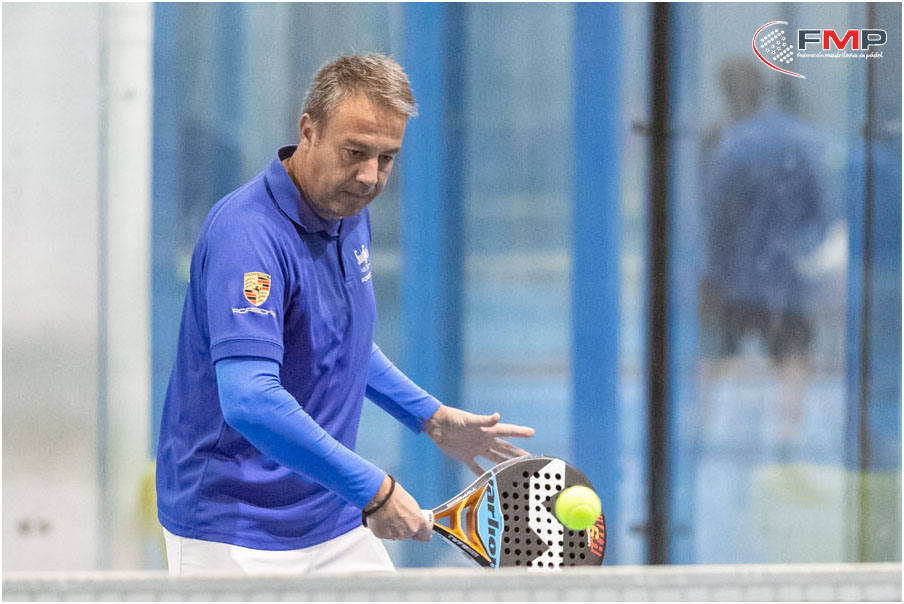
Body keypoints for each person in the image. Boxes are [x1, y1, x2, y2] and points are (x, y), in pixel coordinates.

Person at [155, 53, 534, 575]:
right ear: (308, 131)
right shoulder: (247, 235)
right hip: (233, 531)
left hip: (332, 516)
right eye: (355, 152)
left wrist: (429, 417)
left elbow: (338, 339)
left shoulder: (347, 211)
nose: (369, 176)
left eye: (386, 158)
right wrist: (376, 491)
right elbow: (249, 399)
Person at [697, 59, 833, 459]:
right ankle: (787, 443)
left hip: (733, 276)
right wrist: (803, 252)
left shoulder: (729, 146)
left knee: (714, 356)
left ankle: (696, 435)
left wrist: (711, 268)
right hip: (786, 279)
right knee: (792, 357)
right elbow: (822, 212)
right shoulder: (800, 141)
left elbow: (712, 215)